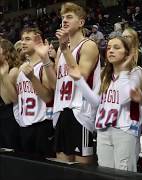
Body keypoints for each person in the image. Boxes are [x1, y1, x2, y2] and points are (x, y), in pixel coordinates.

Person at [67, 36, 142, 171]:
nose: (111, 51)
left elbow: (125, 96)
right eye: (108, 48)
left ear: (127, 53)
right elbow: (95, 101)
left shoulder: (136, 71)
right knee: (105, 173)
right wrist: (79, 81)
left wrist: (124, 69)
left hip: (125, 130)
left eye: (116, 47)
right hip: (103, 130)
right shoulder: (104, 74)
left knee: (124, 173)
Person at [45, 2, 100, 164]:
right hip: (62, 110)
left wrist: (64, 48)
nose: (64, 21)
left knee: (82, 169)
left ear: (81, 22)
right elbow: (55, 85)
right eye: (62, 18)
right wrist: (45, 60)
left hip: (81, 112)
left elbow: (80, 74)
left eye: (69, 17)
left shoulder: (88, 45)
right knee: (62, 165)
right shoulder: (63, 50)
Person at [12, 28, 55, 157]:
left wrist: (32, 78)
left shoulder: (45, 66)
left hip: (42, 124)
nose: (23, 42)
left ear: (38, 42)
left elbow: (48, 98)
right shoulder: (21, 68)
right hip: (24, 124)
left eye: (28, 39)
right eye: (22, 39)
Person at [0, 38, 22, 151]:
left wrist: (3, 76)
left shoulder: (13, 71)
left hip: (10, 117)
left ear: (6, 51)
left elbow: (9, 100)